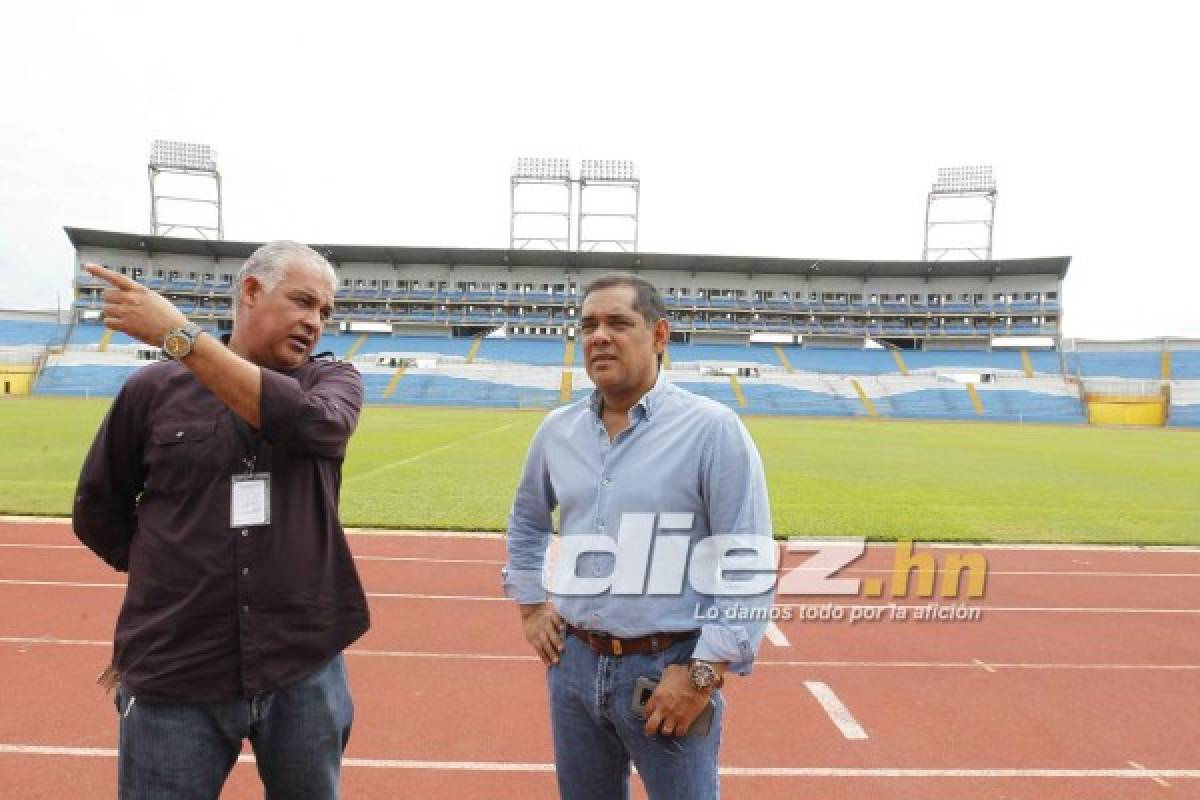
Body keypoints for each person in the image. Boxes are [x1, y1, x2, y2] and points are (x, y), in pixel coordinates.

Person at [73, 241, 369, 799]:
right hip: (177, 665)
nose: (315, 322)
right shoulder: (151, 390)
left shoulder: (332, 382)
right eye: (303, 301)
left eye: (325, 312)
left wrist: (181, 338)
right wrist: (169, 567)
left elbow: (315, 426)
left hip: (301, 663)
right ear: (251, 291)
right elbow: (98, 510)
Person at [502, 274, 775, 799]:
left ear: (659, 335)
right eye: (588, 325)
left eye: (618, 323)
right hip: (574, 666)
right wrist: (531, 607)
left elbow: (747, 560)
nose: (599, 336)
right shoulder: (557, 431)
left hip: (670, 670)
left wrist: (702, 677)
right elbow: (528, 520)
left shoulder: (712, 430)